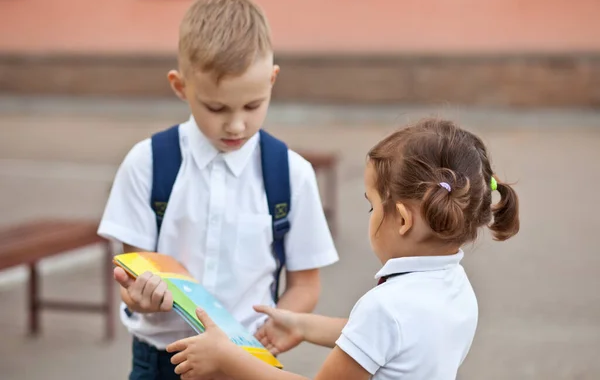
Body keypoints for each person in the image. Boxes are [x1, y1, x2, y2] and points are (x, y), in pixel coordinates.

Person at [97, 0, 339, 380]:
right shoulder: (147, 164)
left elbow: (306, 283)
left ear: (272, 80)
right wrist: (142, 299)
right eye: (217, 108)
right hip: (162, 362)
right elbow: (133, 280)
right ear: (180, 87)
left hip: (247, 361)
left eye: (253, 105)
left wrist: (282, 322)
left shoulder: (291, 174)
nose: (237, 126)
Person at [165, 118, 520, 380]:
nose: (369, 215)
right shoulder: (454, 287)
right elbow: (392, 339)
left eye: (372, 205)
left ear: (402, 219)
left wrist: (227, 358)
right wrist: (305, 326)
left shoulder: (385, 306)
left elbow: (381, 329)